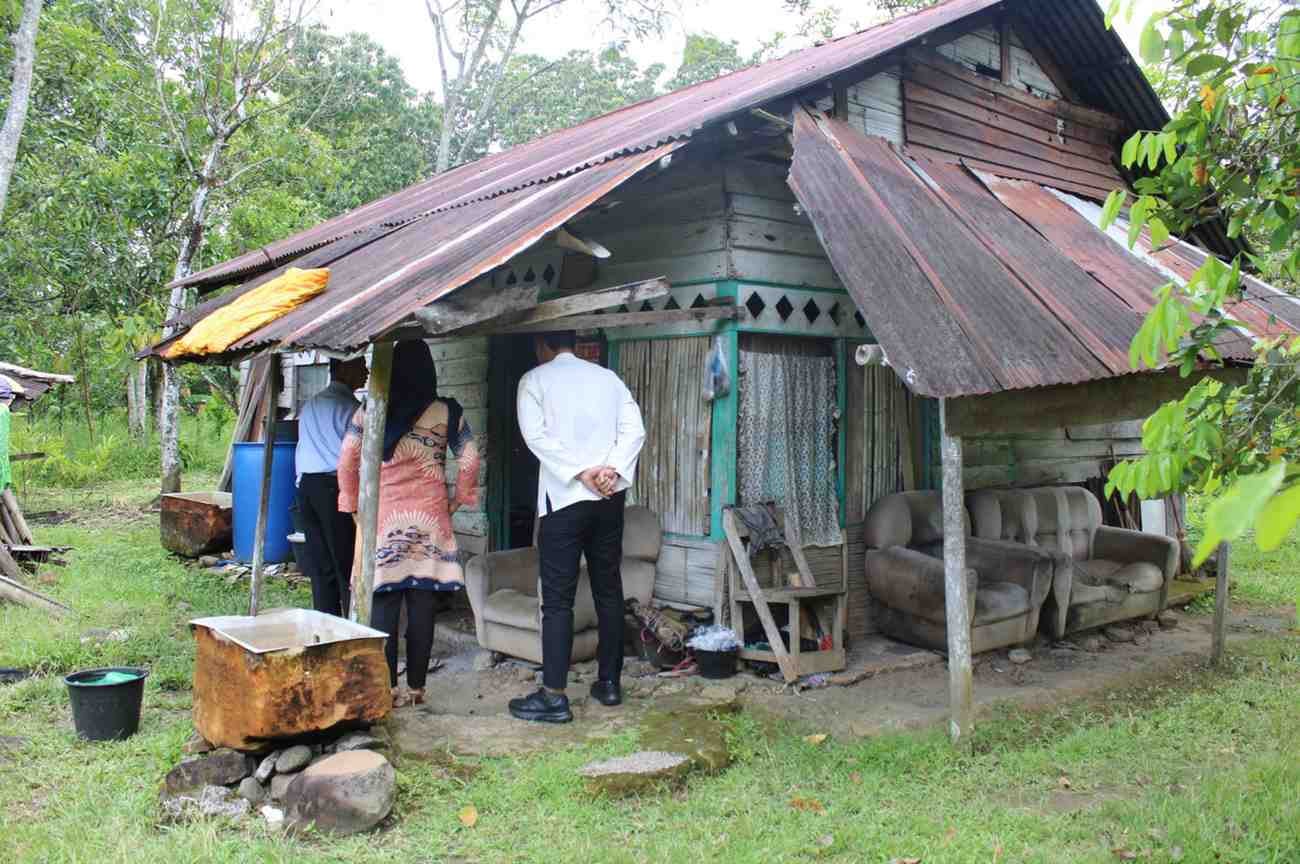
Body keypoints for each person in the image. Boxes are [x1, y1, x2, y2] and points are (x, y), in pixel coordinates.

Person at [508, 331, 646, 724]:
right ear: (574, 342)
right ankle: (609, 684)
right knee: (608, 590)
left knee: (557, 600)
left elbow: (536, 437)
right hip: (608, 499)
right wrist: (611, 470)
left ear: (542, 344)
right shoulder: (608, 379)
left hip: (563, 500)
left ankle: (554, 696)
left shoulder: (534, 380)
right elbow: (634, 430)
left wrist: (581, 472)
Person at [337, 340, 480, 707]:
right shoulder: (447, 411)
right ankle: (416, 689)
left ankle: (386, 688)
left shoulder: (371, 409)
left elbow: (347, 458)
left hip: (384, 519)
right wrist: (457, 500)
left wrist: (353, 507)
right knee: (422, 605)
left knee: (384, 603)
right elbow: (470, 459)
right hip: (429, 520)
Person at [293, 357, 368, 618]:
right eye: (361, 366)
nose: (367, 371)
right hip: (334, 487)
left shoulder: (311, 405)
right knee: (345, 561)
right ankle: (349, 623)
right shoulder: (352, 408)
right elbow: (359, 456)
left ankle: (325, 622)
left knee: (320, 564)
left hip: (307, 487)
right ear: (345, 368)